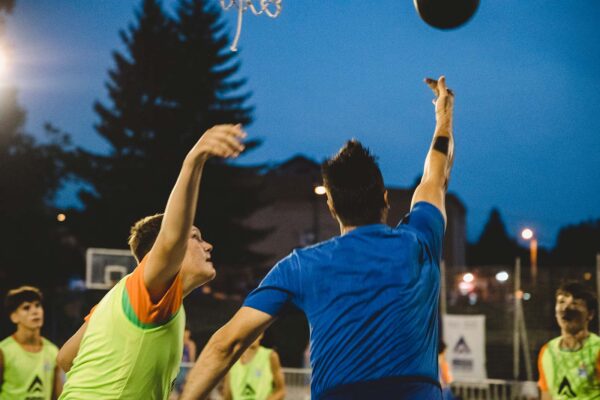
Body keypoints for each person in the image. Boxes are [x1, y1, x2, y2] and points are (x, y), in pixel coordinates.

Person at [181, 76, 455, 400]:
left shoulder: (300, 266)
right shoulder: (419, 241)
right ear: (384, 198)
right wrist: (444, 116)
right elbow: (435, 174)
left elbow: (227, 344)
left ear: (331, 206)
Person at [56, 124, 246, 399]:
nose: (208, 245)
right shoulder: (146, 292)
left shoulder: (118, 301)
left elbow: (66, 357)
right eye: (195, 237)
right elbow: (171, 238)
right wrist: (194, 159)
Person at [538, 281, 600, 399]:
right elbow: (547, 395)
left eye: (575, 303)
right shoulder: (547, 351)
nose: (566, 308)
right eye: (561, 302)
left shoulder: (597, 349)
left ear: (590, 314)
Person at [0, 286, 62, 399]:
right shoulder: (3, 350)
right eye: (26, 307)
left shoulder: (53, 351)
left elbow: (57, 395)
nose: (35, 311)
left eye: (37, 305)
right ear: (14, 317)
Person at [222, 333, 285, 400]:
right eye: (250, 330)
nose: (252, 334)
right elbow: (227, 396)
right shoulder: (231, 360)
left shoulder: (270, 356)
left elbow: (281, 391)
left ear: (261, 334)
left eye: (256, 330)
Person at [173, 328, 198, 395]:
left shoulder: (191, 344)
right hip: (176, 371)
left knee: (184, 392)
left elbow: (191, 361)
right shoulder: (177, 343)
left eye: (187, 332)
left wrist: (190, 373)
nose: (185, 334)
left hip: (185, 371)